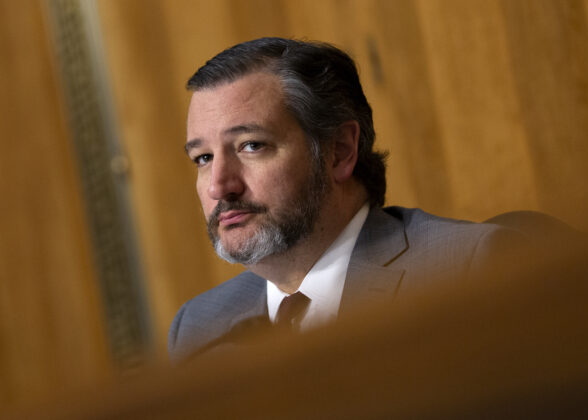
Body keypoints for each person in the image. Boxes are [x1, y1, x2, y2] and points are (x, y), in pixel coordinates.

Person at [168, 37, 525, 362]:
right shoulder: (199, 329)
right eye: (203, 158)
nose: (219, 186)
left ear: (339, 151)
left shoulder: (467, 273)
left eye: (251, 145)